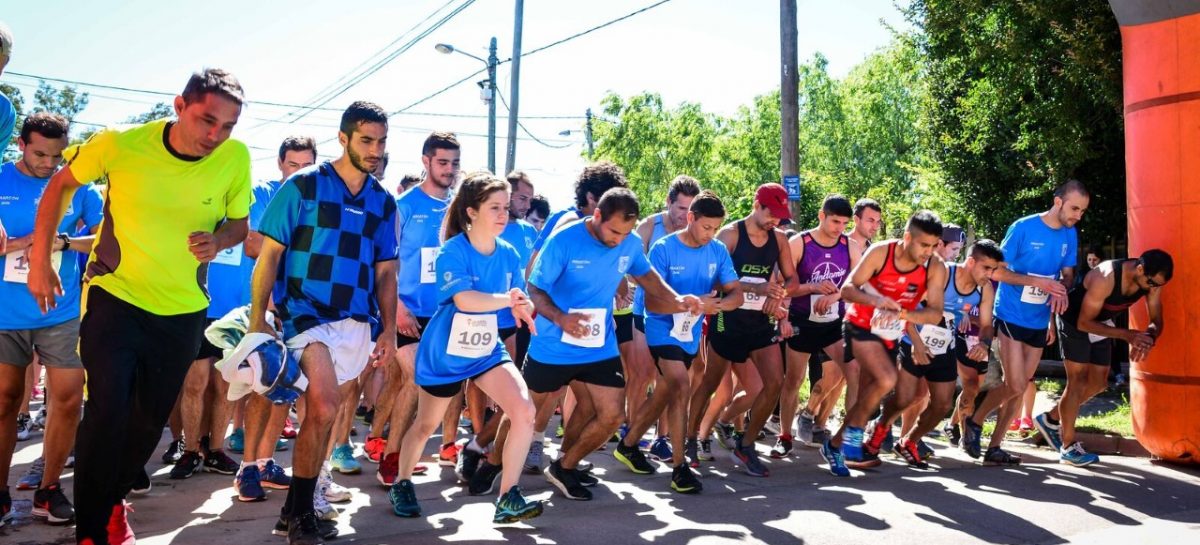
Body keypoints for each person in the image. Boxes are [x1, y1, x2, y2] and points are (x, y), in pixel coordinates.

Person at [28, 69, 252, 545]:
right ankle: (91, 530)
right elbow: (60, 187)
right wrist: (42, 262)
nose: (215, 135)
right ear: (179, 105)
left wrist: (218, 240)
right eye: (206, 120)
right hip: (116, 295)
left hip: (182, 308)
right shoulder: (120, 144)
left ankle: (111, 500)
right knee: (107, 408)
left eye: (227, 126)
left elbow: (239, 225)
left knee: (148, 421)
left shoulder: (234, 158)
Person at [249, 100, 398, 544]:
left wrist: (388, 329)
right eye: (367, 140)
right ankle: (301, 517)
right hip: (304, 314)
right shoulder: (303, 186)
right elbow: (269, 255)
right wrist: (258, 319)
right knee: (326, 406)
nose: (375, 149)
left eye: (382, 141)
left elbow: (387, 271)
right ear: (344, 138)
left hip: (356, 320)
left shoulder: (383, 202)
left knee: (325, 415)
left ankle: (293, 510)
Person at [525, 186, 702, 501]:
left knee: (610, 415)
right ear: (596, 215)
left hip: (598, 342)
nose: (618, 239)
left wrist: (678, 300)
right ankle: (484, 458)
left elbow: (648, 279)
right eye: (614, 231)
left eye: (625, 233)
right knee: (523, 412)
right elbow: (535, 288)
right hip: (552, 340)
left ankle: (565, 465)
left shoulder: (630, 244)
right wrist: (560, 318)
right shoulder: (564, 239)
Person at [388, 172, 544, 523]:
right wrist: (508, 300)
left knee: (523, 410)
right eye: (495, 208)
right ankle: (402, 481)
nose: (504, 215)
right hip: (446, 351)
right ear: (472, 212)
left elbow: (519, 296)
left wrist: (523, 307)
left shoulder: (508, 253)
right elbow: (465, 300)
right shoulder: (452, 250)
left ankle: (508, 496)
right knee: (426, 424)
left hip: (486, 349)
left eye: (506, 207)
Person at [0, 113, 101, 527]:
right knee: (4, 401)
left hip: (60, 313)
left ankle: (49, 489)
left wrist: (59, 240)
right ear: (21, 144)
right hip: (6, 313)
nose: (48, 163)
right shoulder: (2, 179)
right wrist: (30, 243)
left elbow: (102, 238)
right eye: (40, 153)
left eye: (56, 156)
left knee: (67, 400)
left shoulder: (79, 186)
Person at [613, 190, 740, 493]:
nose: (711, 234)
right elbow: (655, 304)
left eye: (716, 228)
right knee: (680, 385)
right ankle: (680, 467)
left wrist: (716, 306)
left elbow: (735, 293)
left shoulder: (718, 250)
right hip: (658, 326)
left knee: (666, 391)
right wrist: (689, 304)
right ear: (691, 218)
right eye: (706, 227)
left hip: (690, 332)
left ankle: (629, 444)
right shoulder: (663, 248)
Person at [962, 180, 1086, 465]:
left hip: (1040, 320)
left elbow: (1067, 276)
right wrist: (1037, 281)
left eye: (1082, 210)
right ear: (1058, 202)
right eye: (1074, 208)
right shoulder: (1023, 228)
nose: (1078, 215)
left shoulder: (1070, 234)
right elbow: (997, 273)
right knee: (1016, 384)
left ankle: (994, 446)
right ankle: (977, 420)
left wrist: (1060, 291)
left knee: (1018, 385)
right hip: (1010, 314)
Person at [821, 210, 948, 476]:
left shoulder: (936, 267)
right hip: (859, 324)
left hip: (888, 332)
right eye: (923, 244)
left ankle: (834, 445)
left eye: (934, 245)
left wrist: (902, 314)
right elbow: (847, 290)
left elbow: (935, 312)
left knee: (871, 394)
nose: (929, 251)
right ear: (907, 237)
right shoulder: (881, 252)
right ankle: (855, 434)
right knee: (887, 379)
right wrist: (877, 301)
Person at [688, 183, 800, 478]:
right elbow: (712, 283)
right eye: (771, 213)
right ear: (756, 204)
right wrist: (755, 287)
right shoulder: (731, 236)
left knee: (774, 383)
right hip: (727, 321)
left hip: (759, 325)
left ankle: (746, 444)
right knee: (710, 385)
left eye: (779, 215)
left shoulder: (779, 240)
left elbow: (792, 279)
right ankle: (690, 439)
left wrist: (776, 296)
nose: (775, 220)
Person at [369, 132, 458, 487]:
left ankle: (393, 447)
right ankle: (390, 460)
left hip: (443, 313)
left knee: (407, 381)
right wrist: (399, 307)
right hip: (402, 311)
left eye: (454, 163)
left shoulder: (458, 208)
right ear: (426, 162)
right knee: (415, 377)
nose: (449, 170)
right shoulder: (403, 206)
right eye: (442, 162)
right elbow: (383, 263)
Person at [864, 239, 1001, 468]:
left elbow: (987, 324)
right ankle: (878, 431)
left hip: (945, 345)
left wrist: (984, 344)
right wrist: (916, 343)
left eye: (994, 269)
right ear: (970, 262)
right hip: (913, 339)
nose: (991, 274)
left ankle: (909, 442)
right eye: (986, 267)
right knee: (905, 398)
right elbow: (907, 306)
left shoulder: (984, 288)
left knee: (942, 404)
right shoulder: (943, 275)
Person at [234, 136, 317, 505]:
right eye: (292, 165)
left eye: (306, 165)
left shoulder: (320, 195)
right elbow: (253, 244)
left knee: (288, 387)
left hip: (304, 307)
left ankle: (266, 462)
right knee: (261, 387)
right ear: (280, 164)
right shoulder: (264, 193)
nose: (298, 172)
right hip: (267, 305)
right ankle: (247, 467)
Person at [1034, 249, 1172, 466]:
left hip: (1101, 323)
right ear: (1140, 268)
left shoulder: (1151, 281)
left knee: (1098, 383)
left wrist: (1149, 336)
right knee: (1077, 381)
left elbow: (1156, 319)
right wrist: (1128, 335)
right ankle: (1067, 447)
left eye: (1157, 285)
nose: (1153, 288)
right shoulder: (1105, 276)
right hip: (1075, 320)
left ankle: (1050, 419)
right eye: (1151, 283)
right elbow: (1083, 323)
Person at [774, 195, 858, 458]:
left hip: (833, 324)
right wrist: (783, 318)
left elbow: (857, 286)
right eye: (835, 221)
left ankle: (850, 437)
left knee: (854, 372)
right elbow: (780, 282)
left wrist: (834, 296)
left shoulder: (850, 246)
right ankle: (785, 436)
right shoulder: (800, 242)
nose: (839, 228)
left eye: (844, 223)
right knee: (793, 381)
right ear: (821, 216)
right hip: (801, 320)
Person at [624, 175, 701, 462]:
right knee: (642, 374)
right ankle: (632, 432)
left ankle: (661, 438)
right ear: (668, 203)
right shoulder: (649, 227)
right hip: (647, 310)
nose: (685, 215)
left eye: (690, 209)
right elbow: (631, 267)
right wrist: (655, 285)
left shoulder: (695, 232)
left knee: (668, 379)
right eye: (681, 209)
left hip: (681, 317)